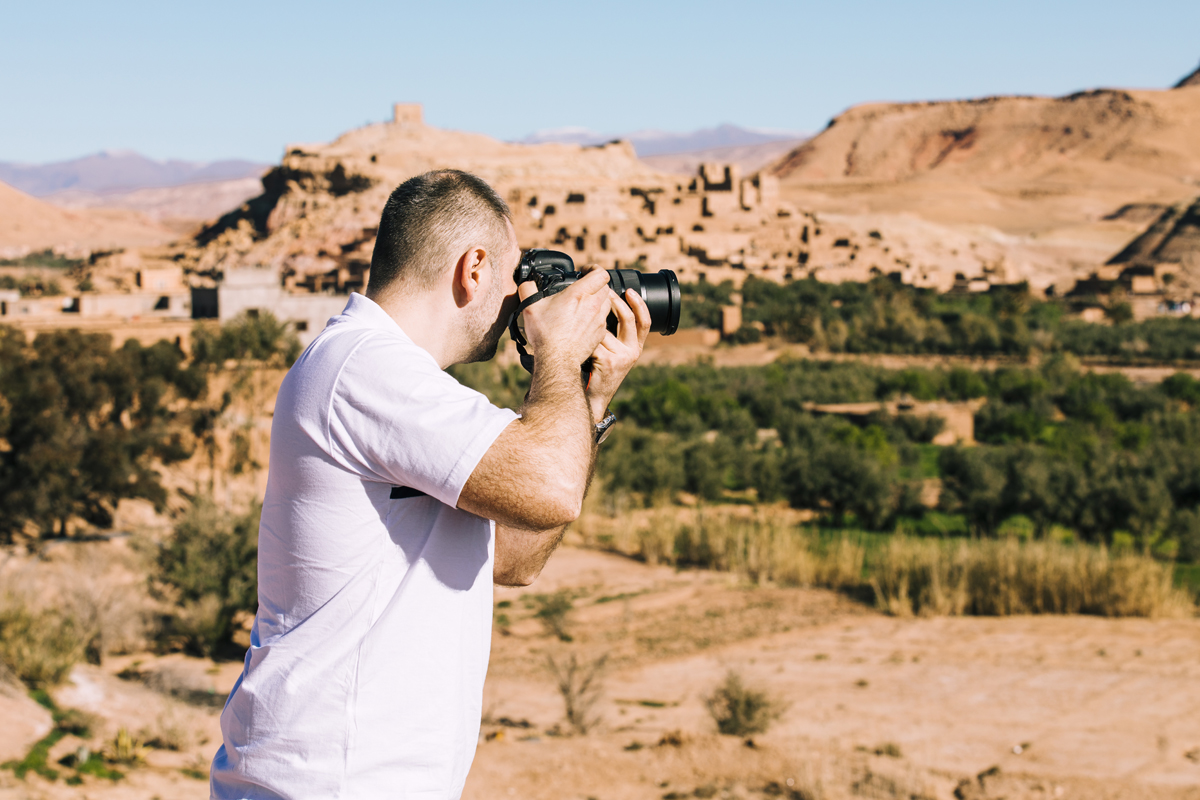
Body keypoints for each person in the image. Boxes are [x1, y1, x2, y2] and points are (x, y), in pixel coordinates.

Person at [210, 169, 651, 799]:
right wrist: (555, 353)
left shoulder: (403, 387)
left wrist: (589, 394)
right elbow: (555, 488)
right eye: (512, 272)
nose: (517, 300)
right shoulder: (363, 366)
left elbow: (515, 556)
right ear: (474, 269)